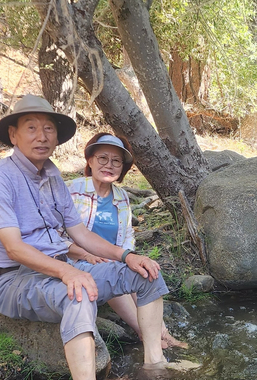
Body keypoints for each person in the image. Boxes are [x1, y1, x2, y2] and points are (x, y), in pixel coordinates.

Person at [0, 95, 171, 380]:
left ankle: (155, 362)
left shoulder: (52, 176)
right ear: (13, 135)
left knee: (146, 274)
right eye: (32, 128)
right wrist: (68, 271)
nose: (42, 136)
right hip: (15, 280)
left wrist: (128, 255)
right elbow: (14, 249)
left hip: (60, 267)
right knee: (79, 293)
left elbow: (79, 232)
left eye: (49, 128)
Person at [64, 133, 187, 348]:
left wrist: (128, 256)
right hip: (76, 263)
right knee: (114, 269)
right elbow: (55, 238)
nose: (108, 165)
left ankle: (163, 333)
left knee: (142, 270)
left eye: (116, 161)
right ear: (90, 160)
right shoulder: (71, 190)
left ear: (123, 168)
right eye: (102, 158)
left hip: (113, 258)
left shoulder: (122, 197)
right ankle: (146, 334)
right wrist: (85, 254)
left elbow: (127, 234)